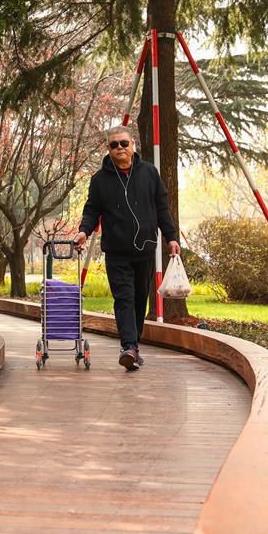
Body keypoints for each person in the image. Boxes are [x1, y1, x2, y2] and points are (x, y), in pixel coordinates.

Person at [74, 125, 180, 371]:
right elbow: (92, 210)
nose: (119, 148)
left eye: (123, 143)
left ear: (132, 145)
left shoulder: (149, 174)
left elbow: (162, 208)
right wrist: (83, 231)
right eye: (114, 145)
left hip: (145, 249)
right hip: (116, 251)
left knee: (139, 300)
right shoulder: (99, 180)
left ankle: (134, 346)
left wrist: (171, 237)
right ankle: (128, 347)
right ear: (108, 149)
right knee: (123, 298)